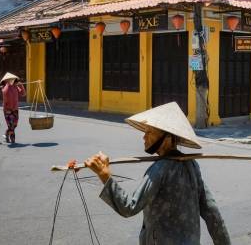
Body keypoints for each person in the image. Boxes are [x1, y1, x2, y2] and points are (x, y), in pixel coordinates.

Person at [84, 102, 231, 245]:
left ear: (167, 139)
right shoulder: (192, 165)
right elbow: (213, 214)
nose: (144, 137)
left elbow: (129, 207)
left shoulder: (160, 169)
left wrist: (104, 175)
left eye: (149, 132)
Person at [0, 72, 25, 144]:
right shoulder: (5, 88)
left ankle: (6, 134)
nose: (14, 81)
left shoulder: (16, 87)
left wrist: (21, 86)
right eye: (13, 80)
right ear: (8, 81)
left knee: (15, 124)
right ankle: (12, 139)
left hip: (15, 109)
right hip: (8, 109)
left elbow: (23, 94)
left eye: (14, 80)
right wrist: (7, 85)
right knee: (11, 125)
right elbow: (5, 97)